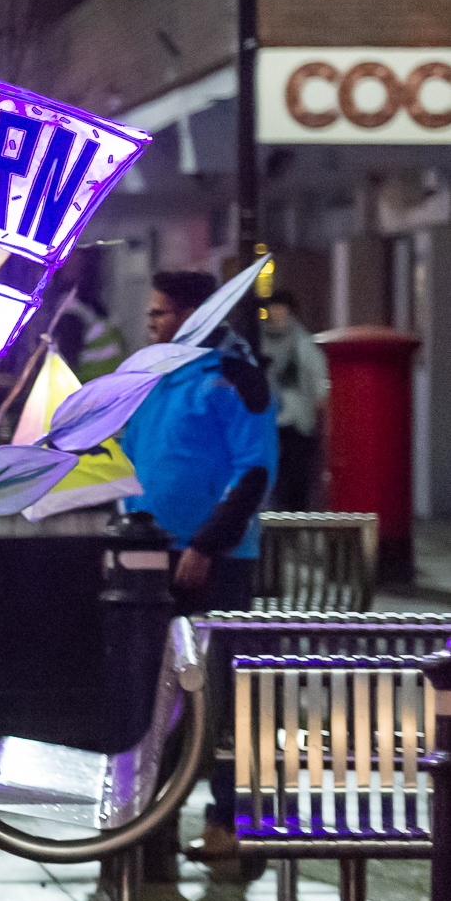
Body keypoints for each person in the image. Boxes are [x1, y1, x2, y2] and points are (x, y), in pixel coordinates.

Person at [119, 269, 278, 861]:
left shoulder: (236, 379)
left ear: (195, 313)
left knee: (219, 694)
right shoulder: (154, 375)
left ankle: (228, 820)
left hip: (212, 559)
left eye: (161, 312)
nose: (152, 322)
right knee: (155, 696)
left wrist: (207, 543)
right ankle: (150, 823)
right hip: (148, 553)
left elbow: (254, 470)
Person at [261, 289, 329, 511]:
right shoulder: (261, 342)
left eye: (281, 309)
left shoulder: (304, 344)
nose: (277, 314)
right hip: (271, 420)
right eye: (273, 309)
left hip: (298, 423)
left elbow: (320, 382)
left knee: (296, 481)